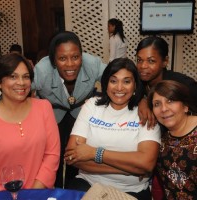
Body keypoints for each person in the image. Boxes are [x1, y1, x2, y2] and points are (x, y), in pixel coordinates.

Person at [64, 58, 161, 200]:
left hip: (132, 190)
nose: (119, 88)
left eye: (126, 81)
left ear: (135, 85)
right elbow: (72, 156)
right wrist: (128, 169)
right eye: (113, 81)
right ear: (106, 83)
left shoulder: (146, 113)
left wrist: (94, 153)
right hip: (88, 183)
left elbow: (146, 164)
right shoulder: (92, 105)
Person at [32, 31, 107, 188]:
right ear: (53, 60)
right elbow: (20, 87)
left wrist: (140, 99)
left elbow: (116, 76)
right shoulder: (42, 70)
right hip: (53, 113)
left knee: (77, 156)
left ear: (81, 55)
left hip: (79, 112)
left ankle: (75, 188)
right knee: (53, 157)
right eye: (62, 58)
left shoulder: (92, 64)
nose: (70, 64)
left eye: (75, 57)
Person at [136, 36, 197, 199]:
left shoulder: (184, 85)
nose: (143, 66)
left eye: (150, 61)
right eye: (139, 60)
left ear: (164, 62)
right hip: (164, 156)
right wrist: (143, 100)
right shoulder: (140, 83)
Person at [0, 53, 60, 190]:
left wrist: (33, 193)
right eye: (13, 76)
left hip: (40, 192)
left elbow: (52, 155)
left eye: (25, 77)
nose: (21, 82)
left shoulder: (43, 107)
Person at [147, 80, 197, 200]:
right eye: (157, 104)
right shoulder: (162, 140)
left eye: (171, 101)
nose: (164, 109)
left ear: (185, 106)